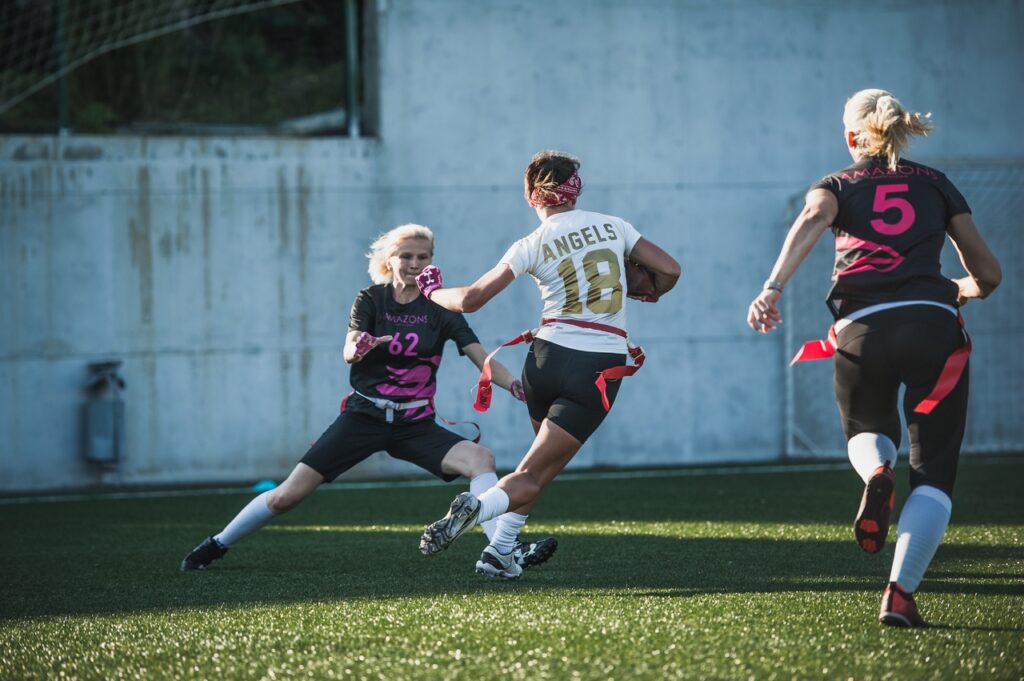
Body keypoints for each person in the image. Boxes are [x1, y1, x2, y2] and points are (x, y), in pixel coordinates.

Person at [747, 89, 1001, 626]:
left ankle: (878, 472)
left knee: (866, 429)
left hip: (862, 330)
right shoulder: (936, 183)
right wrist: (959, 290)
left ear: (851, 137)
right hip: (934, 327)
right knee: (933, 471)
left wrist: (771, 289)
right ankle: (899, 593)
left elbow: (813, 217)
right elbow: (989, 275)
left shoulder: (836, 184)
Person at [181, 223, 556, 572]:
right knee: (285, 497)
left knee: (481, 459)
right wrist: (358, 347)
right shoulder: (371, 299)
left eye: (423, 257)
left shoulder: (441, 307)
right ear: (389, 259)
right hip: (364, 417)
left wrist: (514, 385)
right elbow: (349, 348)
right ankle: (217, 543)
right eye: (406, 256)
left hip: (414, 424)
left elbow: (481, 358)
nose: (414, 264)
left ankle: (502, 551)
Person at [413, 150, 681, 579]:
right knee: (534, 473)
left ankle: (499, 553)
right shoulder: (613, 226)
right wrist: (649, 290)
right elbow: (669, 269)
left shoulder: (531, 243)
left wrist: (431, 292)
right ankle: (478, 508)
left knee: (538, 467)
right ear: (575, 190)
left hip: (544, 359)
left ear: (531, 195)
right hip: (596, 366)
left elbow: (471, 299)